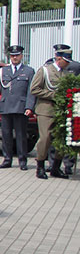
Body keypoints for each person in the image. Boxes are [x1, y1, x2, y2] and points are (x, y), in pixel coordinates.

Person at [30, 44, 80, 179]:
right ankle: (40, 166)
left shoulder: (66, 73)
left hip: (61, 111)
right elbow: (34, 89)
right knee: (45, 138)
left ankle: (56, 167)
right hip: (46, 110)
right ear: (58, 59)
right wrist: (53, 95)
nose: (68, 64)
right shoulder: (45, 71)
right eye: (66, 61)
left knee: (61, 139)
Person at [0, 44, 35, 171]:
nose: (14, 58)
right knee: (6, 135)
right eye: (12, 56)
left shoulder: (28, 71)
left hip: (20, 107)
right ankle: (7, 159)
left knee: (21, 136)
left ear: (21, 56)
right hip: (6, 106)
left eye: (17, 55)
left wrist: (29, 107)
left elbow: (31, 91)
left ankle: (22, 160)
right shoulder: (3, 71)